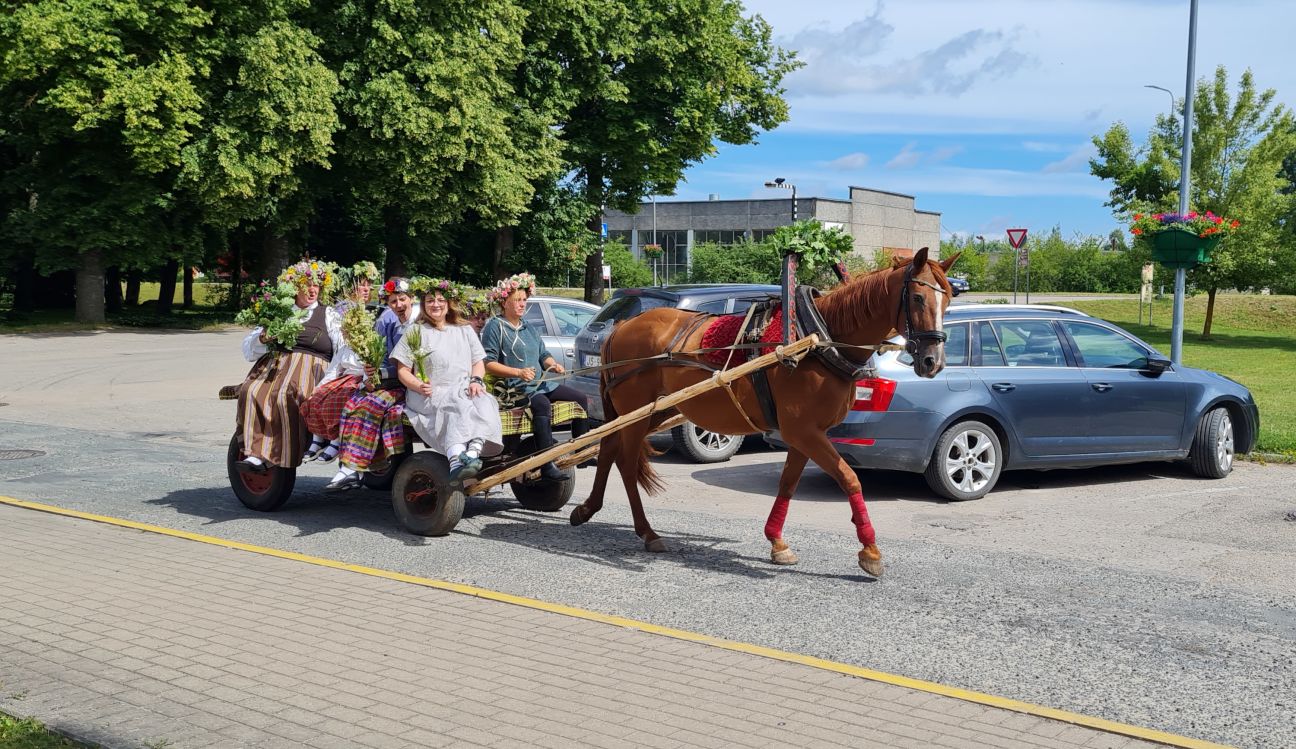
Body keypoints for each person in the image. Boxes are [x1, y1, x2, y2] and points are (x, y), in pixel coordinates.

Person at [236, 260, 344, 472]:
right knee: (251, 391)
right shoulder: (280, 311)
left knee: (287, 394)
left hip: (311, 368)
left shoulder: (328, 314)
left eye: (316, 285)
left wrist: (334, 378)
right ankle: (255, 453)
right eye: (307, 285)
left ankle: (283, 454)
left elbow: (342, 348)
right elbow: (249, 350)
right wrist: (263, 337)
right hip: (276, 367)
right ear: (295, 287)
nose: (312, 290)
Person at [391, 282, 503, 483]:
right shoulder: (415, 330)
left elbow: (478, 362)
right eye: (430, 300)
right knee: (455, 407)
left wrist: (476, 380)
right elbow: (403, 371)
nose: (436, 304)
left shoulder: (464, 329)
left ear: (449, 303)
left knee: (486, 401)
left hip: (463, 388)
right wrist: (418, 385)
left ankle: (472, 453)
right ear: (423, 304)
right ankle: (456, 461)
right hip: (429, 393)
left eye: (441, 300)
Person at [480, 272, 589, 481]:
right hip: (516, 389)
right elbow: (488, 363)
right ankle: (547, 464)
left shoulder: (528, 326)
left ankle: (582, 453)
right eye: (517, 300)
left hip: (541, 384)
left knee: (580, 399)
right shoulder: (495, 326)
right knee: (542, 405)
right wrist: (518, 372)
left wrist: (553, 365)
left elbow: (543, 354)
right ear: (504, 303)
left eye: (524, 300)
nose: (522, 304)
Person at [323, 278, 418, 491]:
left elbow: (412, 367)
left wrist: (383, 373)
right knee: (353, 402)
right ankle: (349, 468)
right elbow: (384, 359)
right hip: (395, 381)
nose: (399, 305)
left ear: (411, 299)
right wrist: (372, 372)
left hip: (413, 385)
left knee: (371, 405)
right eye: (393, 302)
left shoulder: (419, 325)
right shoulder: (393, 324)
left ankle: (354, 467)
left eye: (402, 299)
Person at [299, 260, 380, 463]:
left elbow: (370, 358)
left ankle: (335, 440)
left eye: (369, 285)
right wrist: (321, 385)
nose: (366, 289)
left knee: (338, 398)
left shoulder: (373, 313)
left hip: (359, 374)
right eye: (361, 285)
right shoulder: (343, 310)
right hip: (345, 369)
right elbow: (338, 356)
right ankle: (318, 440)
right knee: (318, 396)